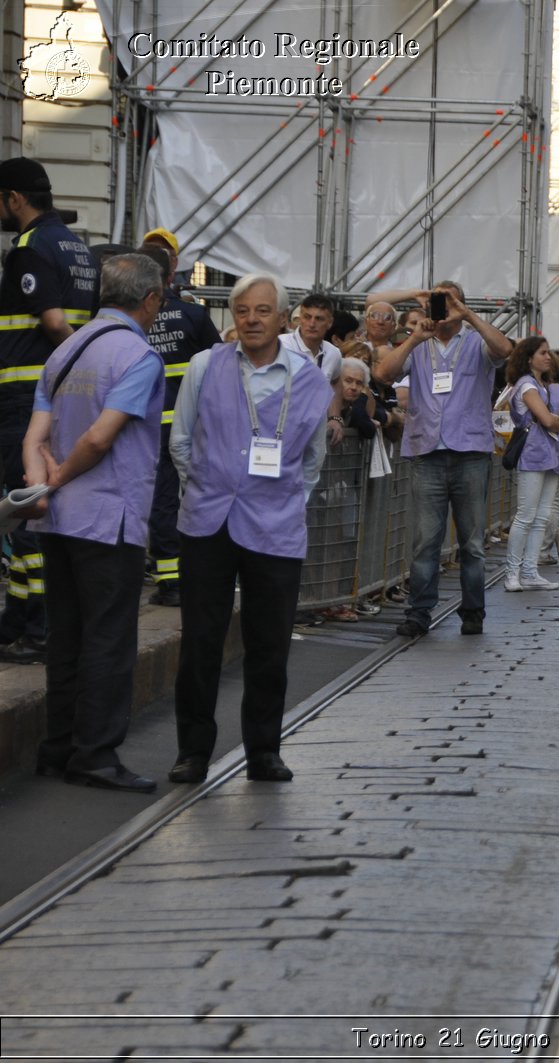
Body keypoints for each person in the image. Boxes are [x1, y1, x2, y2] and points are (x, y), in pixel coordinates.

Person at [166, 273, 333, 784]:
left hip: (275, 529)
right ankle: (193, 750)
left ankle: (263, 750)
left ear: (283, 320)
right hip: (208, 523)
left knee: (269, 644)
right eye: (242, 311)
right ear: (232, 317)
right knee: (200, 641)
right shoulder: (203, 366)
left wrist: (281, 502)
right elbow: (181, 442)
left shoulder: (309, 380)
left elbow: (311, 460)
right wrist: (210, 487)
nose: (252, 320)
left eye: (263, 311)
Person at [24, 255, 166, 792]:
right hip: (110, 516)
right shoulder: (138, 356)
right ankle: (97, 757)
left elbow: (34, 437)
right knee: (108, 639)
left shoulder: (64, 350)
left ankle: (57, 748)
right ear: (150, 299)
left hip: (57, 521)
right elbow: (99, 439)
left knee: (67, 637)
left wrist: (44, 483)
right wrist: (63, 477)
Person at [372, 282, 512, 638]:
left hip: (470, 453)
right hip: (426, 451)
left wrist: (467, 315)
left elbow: (505, 350)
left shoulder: (477, 341)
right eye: (439, 301)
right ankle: (420, 611)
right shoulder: (418, 342)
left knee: (472, 541)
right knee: (425, 540)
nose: (444, 307)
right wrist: (414, 337)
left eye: (451, 301)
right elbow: (383, 375)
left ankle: (473, 611)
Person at [0, 157, 98, 664]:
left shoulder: (30, 247)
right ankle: (17, 623)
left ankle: (39, 629)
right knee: (30, 514)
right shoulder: (77, 247)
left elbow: (56, 322)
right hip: (60, 399)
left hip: (25, 401)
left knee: (25, 512)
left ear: (15, 199)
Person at [139, 243, 221, 608]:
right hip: (192, 425)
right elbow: (221, 367)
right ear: (171, 275)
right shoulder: (195, 316)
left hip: (146, 427)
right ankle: (193, 572)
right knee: (195, 497)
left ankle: (170, 578)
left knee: (160, 501)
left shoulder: (135, 319)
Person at [503, 338, 559, 590]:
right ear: (528, 357)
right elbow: (549, 420)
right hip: (533, 453)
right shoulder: (526, 385)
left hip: (549, 453)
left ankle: (530, 571)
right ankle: (512, 573)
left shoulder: (542, 386)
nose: (549, 357)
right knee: (526, 516)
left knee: (542, 515)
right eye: (543, 353)